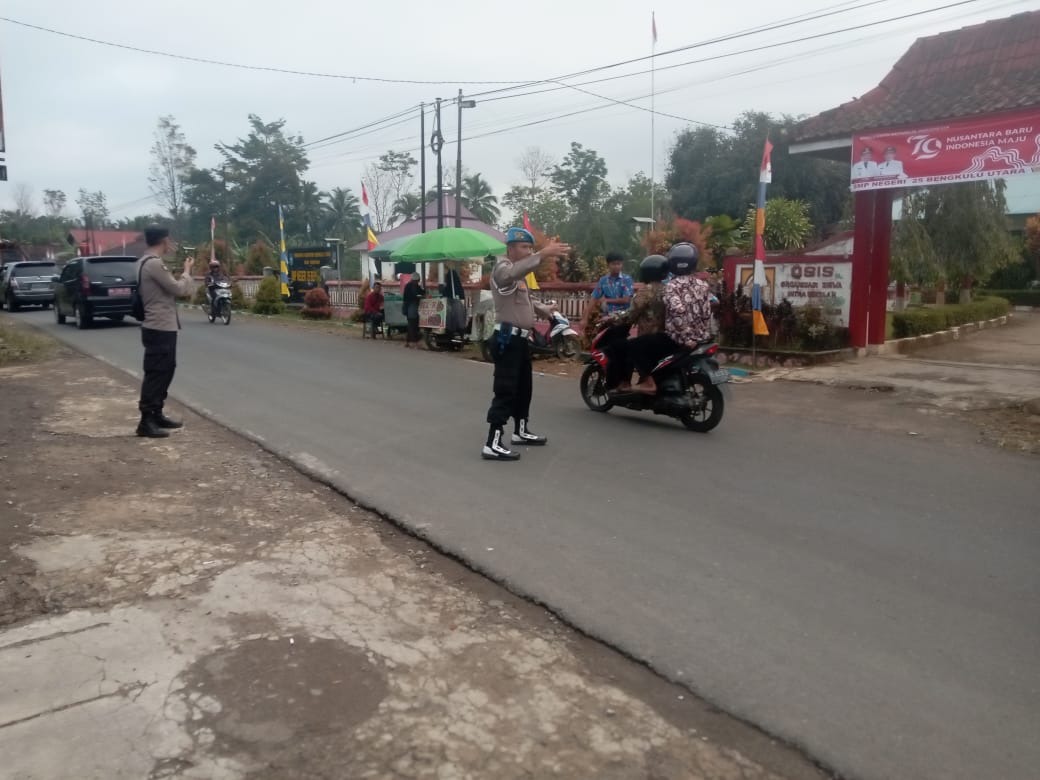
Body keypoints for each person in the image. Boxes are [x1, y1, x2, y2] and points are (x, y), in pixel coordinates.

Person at [482, 227, 571, 461]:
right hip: (507, 339)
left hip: (521, 340)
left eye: (531, 248)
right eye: (524, 247)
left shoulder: (519, 275)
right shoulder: (503, 268)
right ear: (511, 248)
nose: (529, 251)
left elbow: (527, 300)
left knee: (524, 388)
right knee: (505, 390)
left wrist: (545, 310)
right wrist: (542, 254)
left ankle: (520, 431)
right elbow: (509, 276)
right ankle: (492, 442)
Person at [136, 225, 195, 438]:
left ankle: (156, 413)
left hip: (160, 326)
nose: (171, 243)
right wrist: (187, 271)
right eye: (169, 240)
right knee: (157, 372)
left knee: (166, 369)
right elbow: (178, 289)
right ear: (164, 241)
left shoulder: (143, 261)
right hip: (159, 326)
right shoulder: (154, 264)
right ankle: (146, 421)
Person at [630, 242, 712, 395]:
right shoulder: (703, 285)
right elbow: (707, 312)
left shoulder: (672, 286)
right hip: (701, 338)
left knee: (636, 345)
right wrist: (701, 334)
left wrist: (687, 338)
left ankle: (648, 382)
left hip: (677, 339)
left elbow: (677, 311)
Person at [598, 254, 669, 392]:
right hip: (665, 336)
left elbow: (631, 314)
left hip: (648, 336)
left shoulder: (646, 291)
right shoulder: (667, 288)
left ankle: (625, 383)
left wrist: (612, 318)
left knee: (621, 347)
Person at [403, 272, 424, 348]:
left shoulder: (417, 286)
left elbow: (421, 291)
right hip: (410, 307)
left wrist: (423, 292)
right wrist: (416, 297)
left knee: (413, 325)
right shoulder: (408, 286)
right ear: (413, 280)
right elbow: (408, 297)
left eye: (417, 281)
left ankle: (408, 342)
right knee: (412, 324)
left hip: (415, 307)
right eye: (416, 281)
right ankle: (413, 342)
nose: (416, 282)